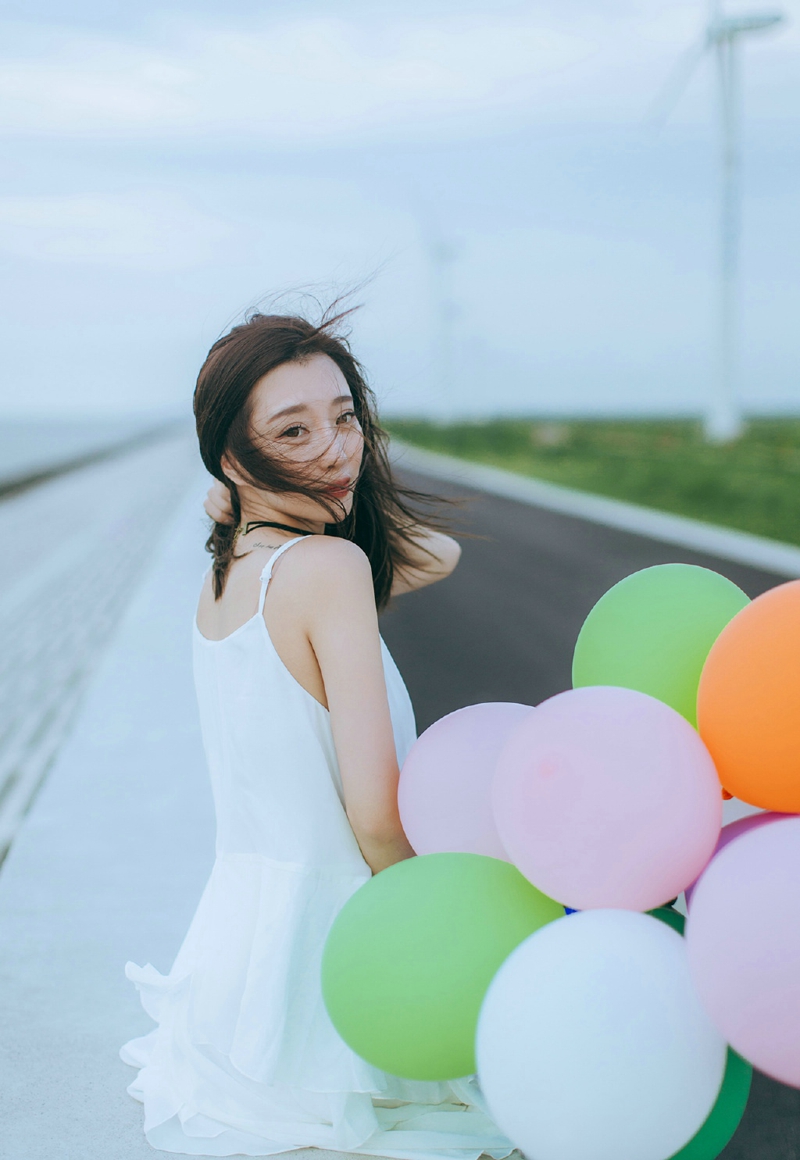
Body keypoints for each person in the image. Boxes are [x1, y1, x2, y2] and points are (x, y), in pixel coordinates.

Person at [120, 309, 517, 1160]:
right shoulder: (330, 572)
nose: (337, 449)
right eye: (292, 432)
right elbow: (375, 817)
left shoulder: (231, 569)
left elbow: (431, 555)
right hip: (347, 971)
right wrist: (445, 931)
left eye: (345, 418)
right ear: (233, 454)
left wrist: (264, 493)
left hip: (241, 981)